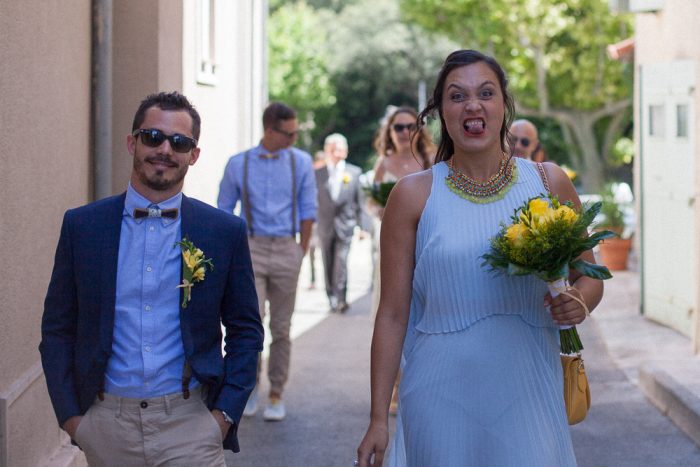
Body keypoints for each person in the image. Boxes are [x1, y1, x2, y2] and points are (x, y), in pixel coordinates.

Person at [357, 50, 604, 467]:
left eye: (486, 93)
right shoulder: (412, 195)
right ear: (442, 112)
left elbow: (591, 274)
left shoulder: (549, 182)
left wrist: (579, 301)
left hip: (529, 389)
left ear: (504, 104)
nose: (473, 105)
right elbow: (393, 314)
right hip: (438, 396)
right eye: (457, 96)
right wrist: (378, 419)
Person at [40, 91, 264, 466]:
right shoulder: (82, 226)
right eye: (153, 137)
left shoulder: (223, 231)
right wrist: (72, 419)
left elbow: (246, 330)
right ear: (132, 143)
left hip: (191, 425)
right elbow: (57, 327)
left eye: (179, 142)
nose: (164, 150)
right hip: (107, 426)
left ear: (193, 155)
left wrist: (224, 415)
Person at [217, 102, 317, 422]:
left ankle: (276, 392)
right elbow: (223, 210)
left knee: (282, 328)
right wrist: (231, 253)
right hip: (251, 249)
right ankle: (248, 388)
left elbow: (308, 209)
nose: (294, 138)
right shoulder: (239, 163)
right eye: (289, 133)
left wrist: (300, 251)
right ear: (270, 130)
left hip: (287, 247)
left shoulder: (301, 162)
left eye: (295, 132)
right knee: (250, 323)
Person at [315, 133, 366, 313]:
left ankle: (342, 298)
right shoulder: (318, 174)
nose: (337, 152)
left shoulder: (354, 172)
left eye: (340, 149)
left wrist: (363, 227)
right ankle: (331, 297)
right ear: (327, 151)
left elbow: (360, 202)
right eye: (333, 149)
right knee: (327, 262)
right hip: (325, 226)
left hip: (346, 225)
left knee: (341, 262)